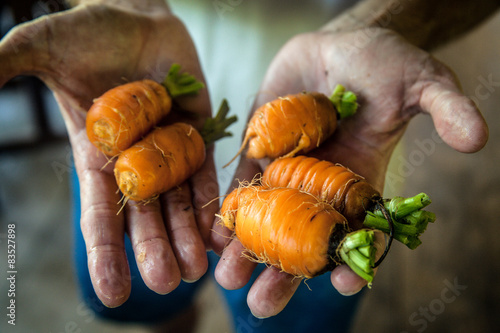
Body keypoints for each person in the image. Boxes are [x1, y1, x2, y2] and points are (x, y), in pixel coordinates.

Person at [0, 0, 496, 331]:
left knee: (284, 320)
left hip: (344, 136)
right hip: (138, 81)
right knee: (141, 295)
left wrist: (382, 26)